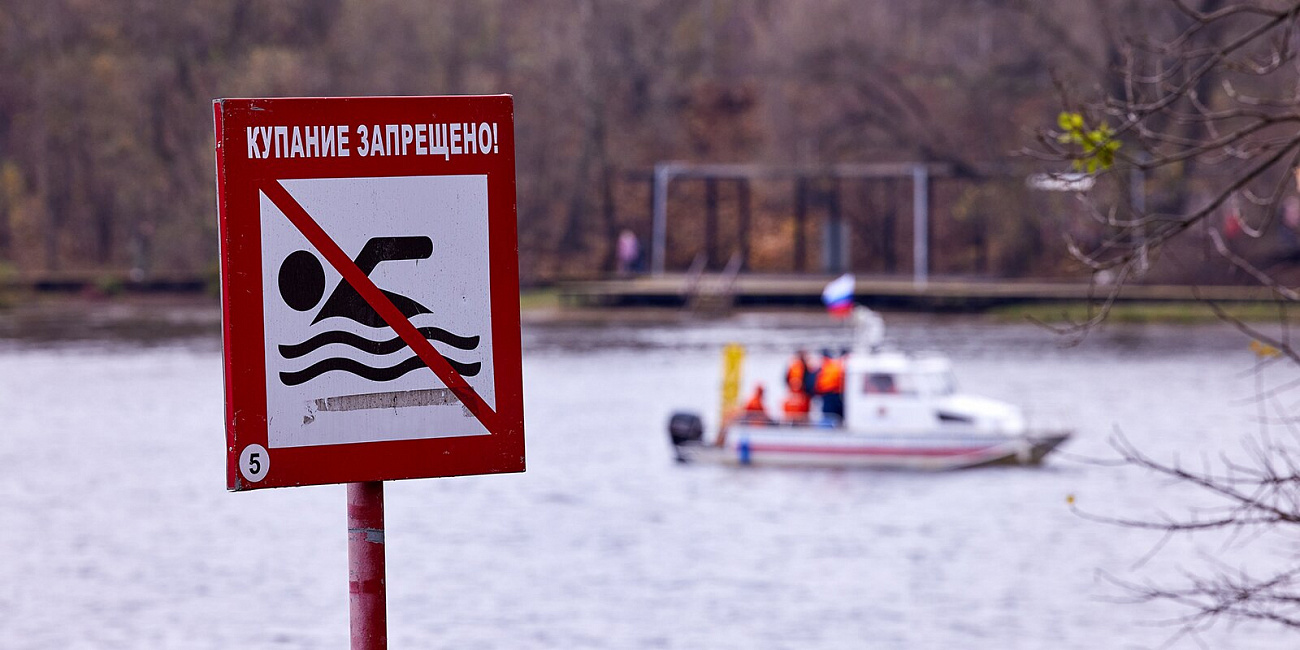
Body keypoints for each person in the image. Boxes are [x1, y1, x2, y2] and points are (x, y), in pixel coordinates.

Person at [814, 348, 845, 423]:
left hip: (830, 393)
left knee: (829, 412)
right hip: (832, 392)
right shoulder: (833, 365)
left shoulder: (829, 366)